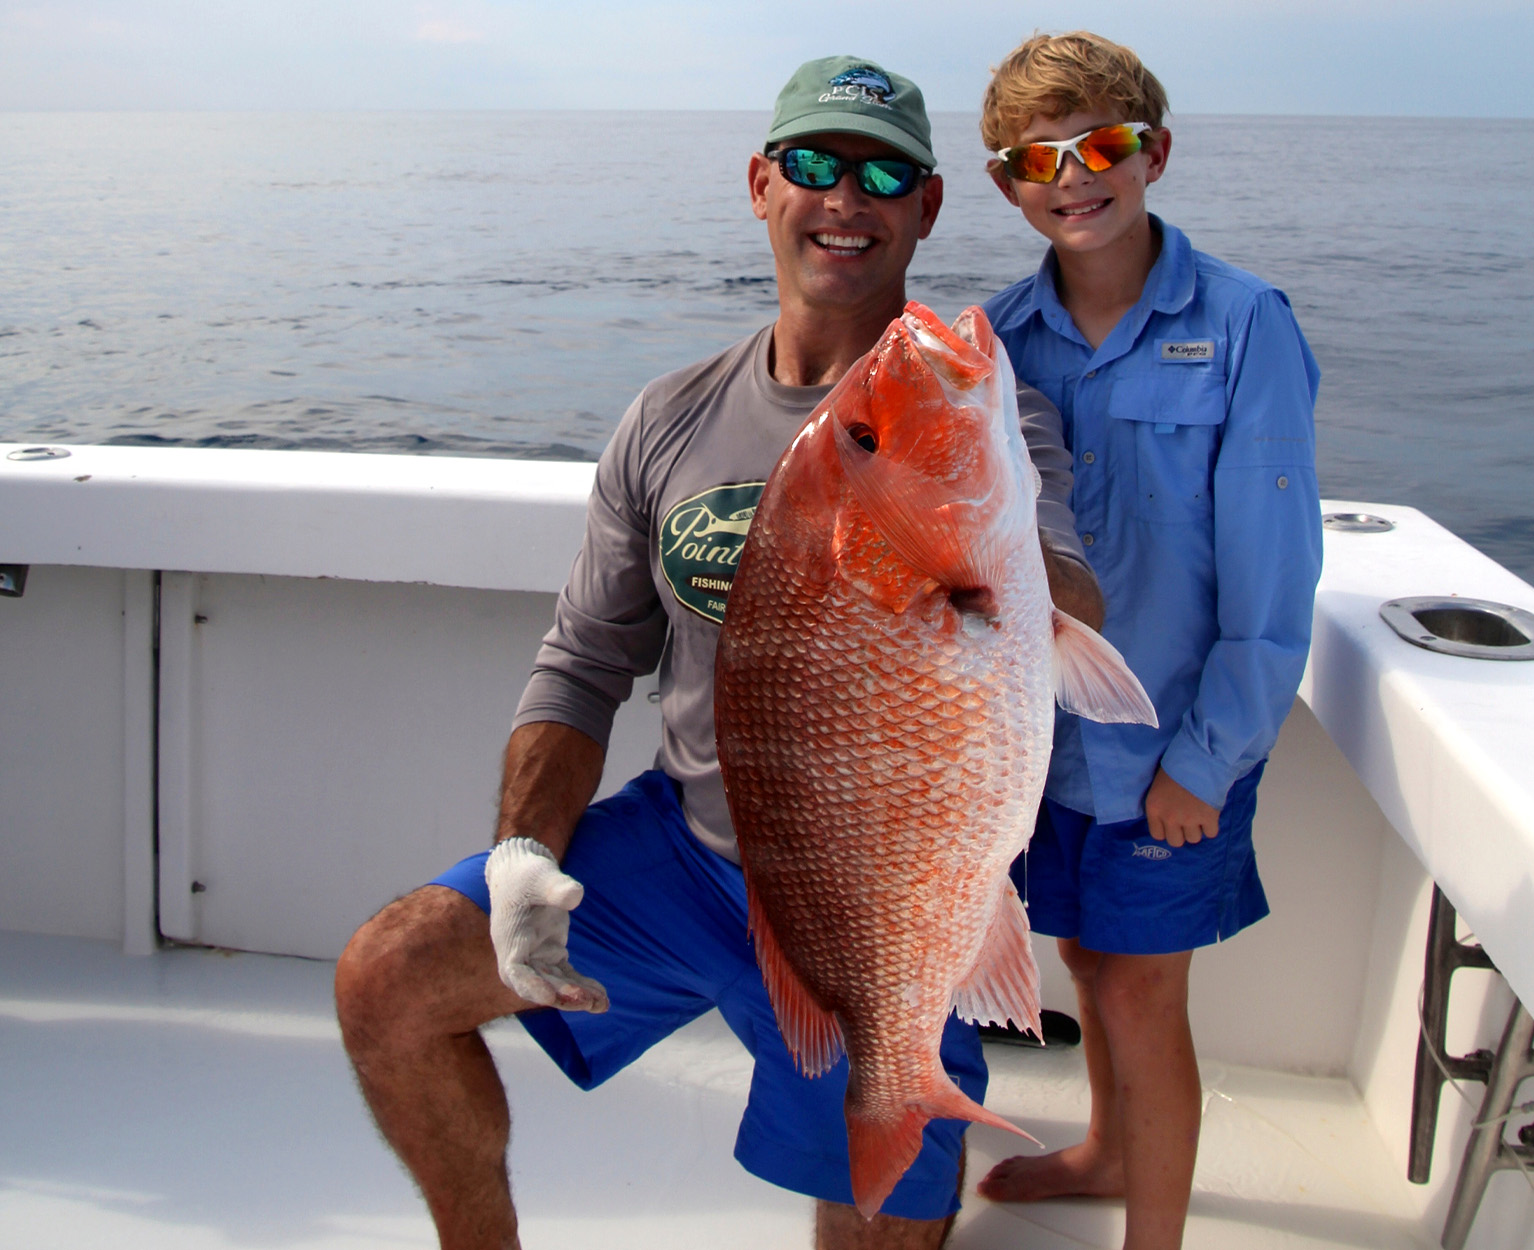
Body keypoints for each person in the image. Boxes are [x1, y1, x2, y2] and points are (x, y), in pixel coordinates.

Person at [334, 55, 1104, 1250]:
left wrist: (983, 564)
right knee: (386, 979)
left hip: (878, 880)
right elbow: (584, 660)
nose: (845, 198)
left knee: (879, 1197)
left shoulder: (990, 419)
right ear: (761, 184)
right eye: (813, 164)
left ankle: (905, 1102)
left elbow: (1073, 604)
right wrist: (525, 852)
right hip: (683, 853)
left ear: (927, 207)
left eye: (883, 174)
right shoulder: (668, 417)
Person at [970, 30, 1323, 1250]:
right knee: (1081, 954)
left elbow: (1275, 588)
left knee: (1139, 985)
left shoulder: (1242, 323)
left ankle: (1152, 1235)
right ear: (1003, 183)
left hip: (1173, 752)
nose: (1071, 176)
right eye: (1034, 158)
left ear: (1152, 152)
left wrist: (1203, 764)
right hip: (1034, 753)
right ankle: (1104, 1148)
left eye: (1101, 145)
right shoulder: (994, 340)